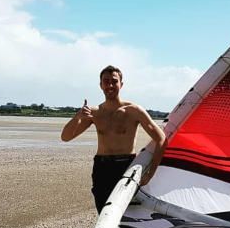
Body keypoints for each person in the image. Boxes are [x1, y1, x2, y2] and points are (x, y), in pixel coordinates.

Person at [61, 65, 166, 213]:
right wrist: (78, 117)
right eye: (106, 81)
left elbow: (161, 139)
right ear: (101, 85)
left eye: (114, 81)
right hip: (102, 168)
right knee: (103, 213)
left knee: (127, 214)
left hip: (126, 166)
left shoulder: (133, 110)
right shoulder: (94, 112)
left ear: (121, 84)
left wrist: (151, 173)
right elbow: (65, 137)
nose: (110, 85)